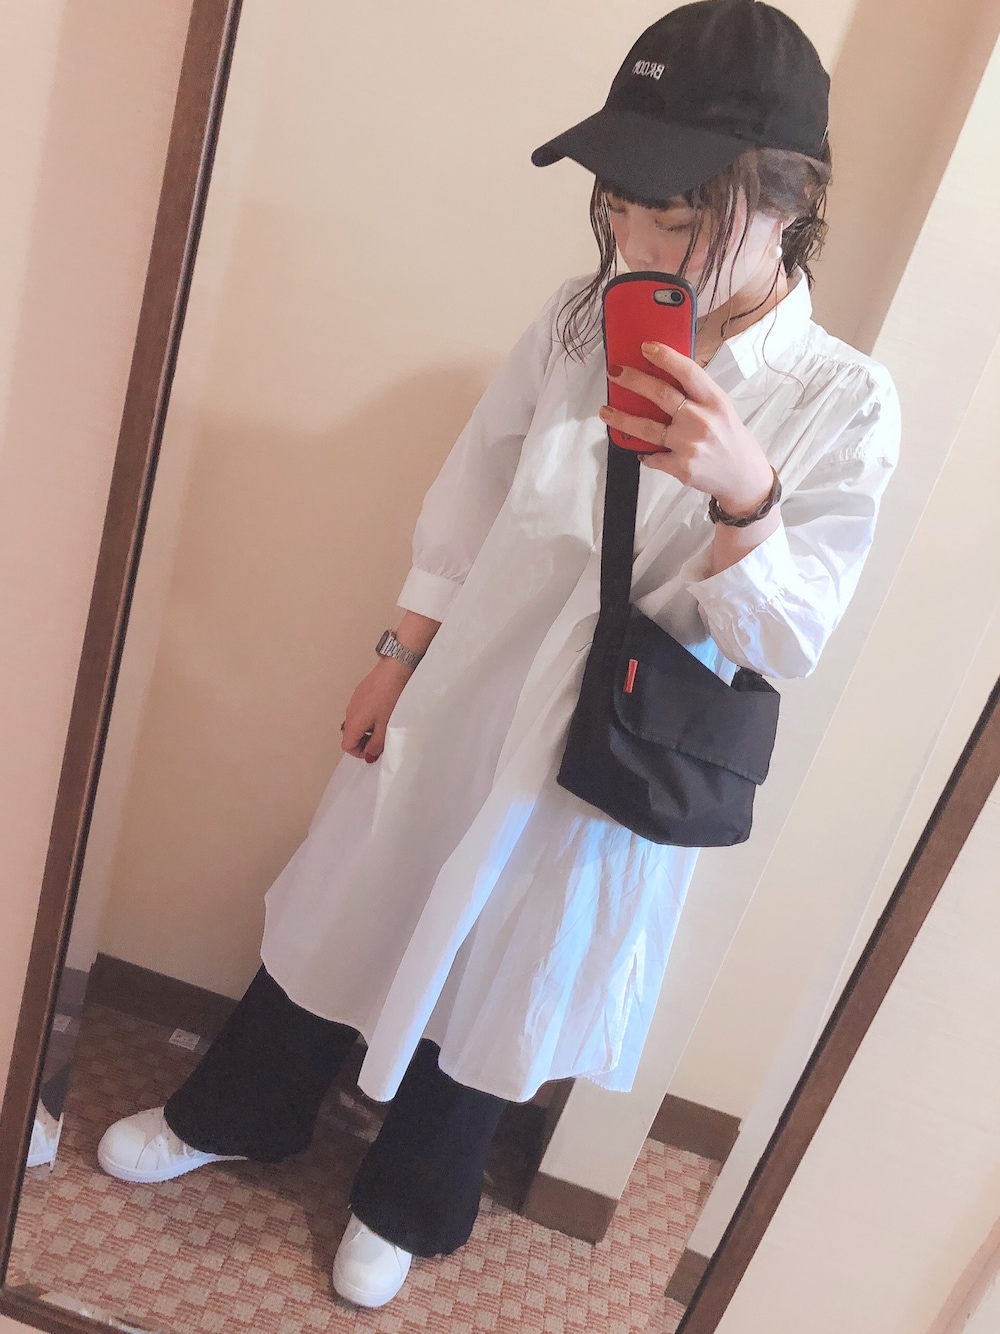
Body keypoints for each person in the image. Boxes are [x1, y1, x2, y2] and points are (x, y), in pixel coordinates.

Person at [97, 0, 900, 1311]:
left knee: (514, 961)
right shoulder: (581, 319)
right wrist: (396, 653)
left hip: (612, 744)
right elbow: (474, 493)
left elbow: (789, 639)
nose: (637, 242)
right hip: (474, 683)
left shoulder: (845, 402)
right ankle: (241, 1109)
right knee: (356, 886)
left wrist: (745, 493)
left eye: (678, 214)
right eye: (623, 204)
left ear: (788, 200)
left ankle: (410, 1197)